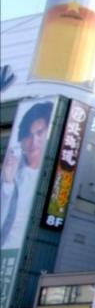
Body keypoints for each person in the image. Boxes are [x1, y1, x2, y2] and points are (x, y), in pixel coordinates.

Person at [1, 100, 53, 249]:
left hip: (25, 251)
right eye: (28, 135)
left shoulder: (51, 176)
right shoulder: (11, 173)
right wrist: (7, 183)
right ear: (21, 139)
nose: (33, 141)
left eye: (40, 133)